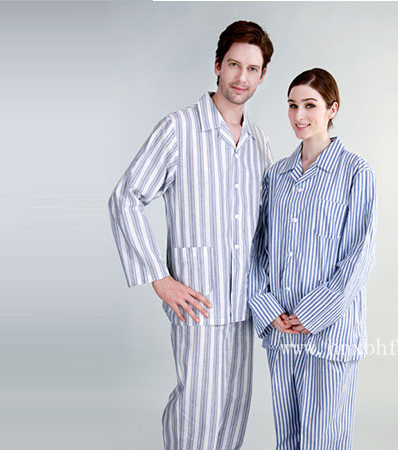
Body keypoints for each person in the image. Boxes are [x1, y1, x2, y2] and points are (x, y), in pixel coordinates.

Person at [108, 21, 274, 450]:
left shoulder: (259, 142)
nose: (241, 77)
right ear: (217, 65)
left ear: (262, 76)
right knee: (197, 418)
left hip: (244, 306)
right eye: (234, 64)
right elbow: (126, 198)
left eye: (252, 69)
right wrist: (159, 277)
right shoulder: (178, 129)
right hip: (197, 303)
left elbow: (266, 226)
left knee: (234, 413)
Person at [248, 68, 377, 449]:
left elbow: (359, 255)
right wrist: (267, 308)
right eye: (292, 105)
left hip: (330, 334)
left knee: (324, 441)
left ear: (332, 109)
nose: (298, 115)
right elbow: (259, 250)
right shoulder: (277, 176)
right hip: (282, 331)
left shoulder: (355, 172)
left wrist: (312, 313)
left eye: (309, 105)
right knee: (287, 440)